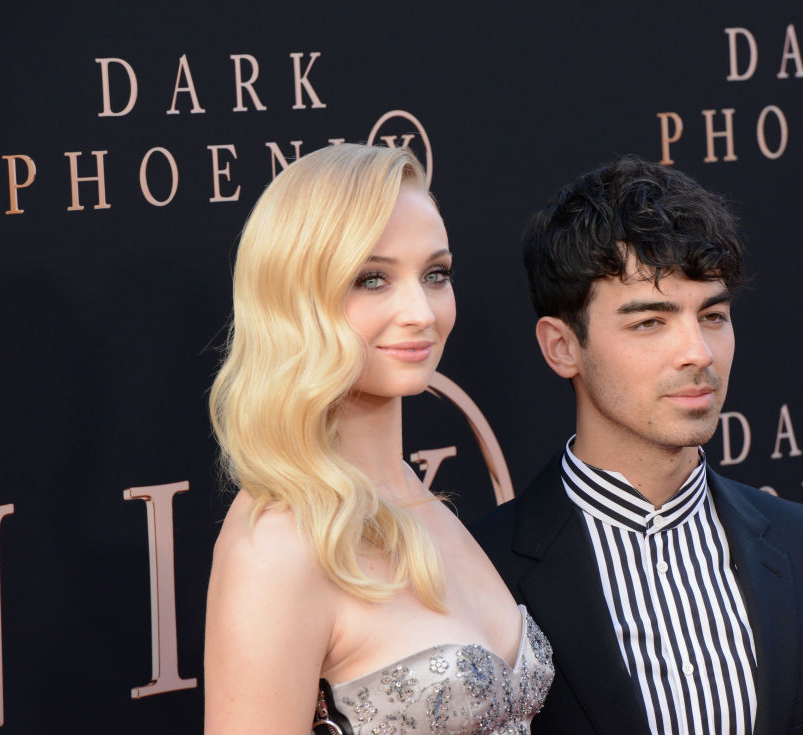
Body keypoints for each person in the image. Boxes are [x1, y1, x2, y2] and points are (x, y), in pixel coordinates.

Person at [470, 156, 803, 735]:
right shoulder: (477, 570)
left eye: (713, 315)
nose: (699, 353)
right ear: (562, 347)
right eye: (650, 322)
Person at [204, 143, 553, 735]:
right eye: (372, 279)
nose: (420, 311)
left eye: (435, 274)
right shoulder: (279, 543)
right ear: (294, 298)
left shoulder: (416, 496)